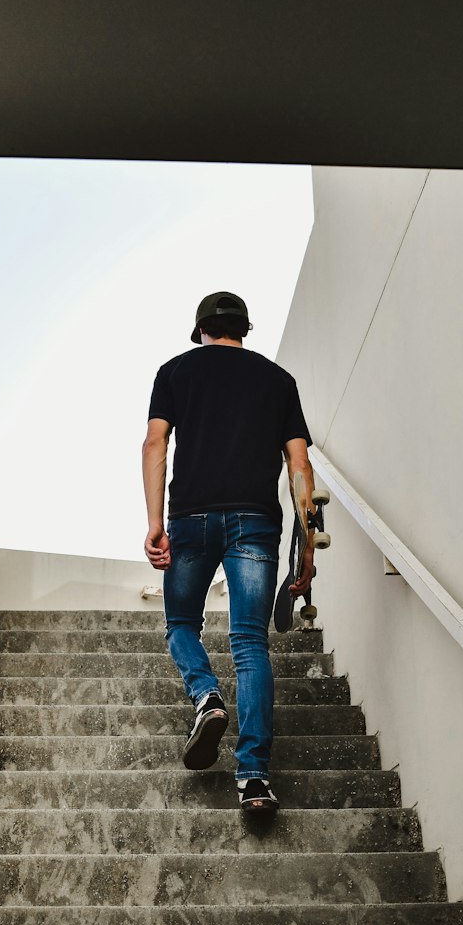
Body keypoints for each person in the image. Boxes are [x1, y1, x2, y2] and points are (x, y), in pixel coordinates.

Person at [142, 290, 316, 816]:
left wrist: (155, 523)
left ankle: (206, 698)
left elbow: (155, 445)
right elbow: (300, 466)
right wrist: (306, 554)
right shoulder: (278, 381)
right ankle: (255, 779)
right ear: (245, 330)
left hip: (191, 518)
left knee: (180, 624)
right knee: (249, 643)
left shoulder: (174, 372)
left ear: (201, 331)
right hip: (257, 523)